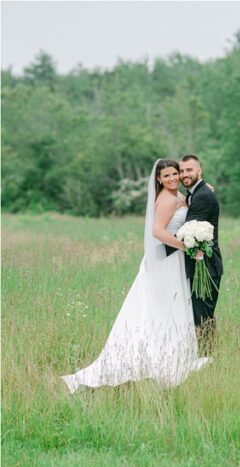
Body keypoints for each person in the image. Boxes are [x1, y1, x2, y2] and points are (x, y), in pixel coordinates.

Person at [61, 159, 210, 393]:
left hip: (176, 260)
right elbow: (157, 231)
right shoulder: (167, 199)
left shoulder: (179, 196)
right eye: (167, 176)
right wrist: (185, 246)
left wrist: (204, 189)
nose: (172, 178)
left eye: (175, 174)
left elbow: (191, 204)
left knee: (173, 308)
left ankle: (175, 354)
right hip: (167, 260)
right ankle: (155, 359)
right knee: (162, 309)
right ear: (158, 179)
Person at [178, 154, 223, 356]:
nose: (184, 174)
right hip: (200, 264)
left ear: (199, 171)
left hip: (205, 265)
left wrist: (160, 245)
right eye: (182, 171)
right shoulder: (196, 193)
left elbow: (188, 231)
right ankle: (205, 358)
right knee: (202, 316)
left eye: (189, 170)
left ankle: (206, 359)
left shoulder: (203, 195)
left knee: (203, 318)